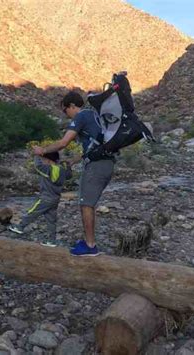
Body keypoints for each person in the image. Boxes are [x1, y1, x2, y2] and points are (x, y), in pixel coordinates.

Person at [33, 91, 115, 256]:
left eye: (65, 111)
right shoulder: (94, 115)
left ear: (72, 106)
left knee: (86, 204)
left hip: (97, 166)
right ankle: (89, 243)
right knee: (87, 202)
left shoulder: (81, 116)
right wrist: (73, 161)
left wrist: (43, 151)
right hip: (107, 163)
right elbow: (93, 146)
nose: (66, 115)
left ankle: (90, 246)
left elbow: (63, 143)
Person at [8, 151, 72, 247]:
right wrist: (67, 164)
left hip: (46, 197)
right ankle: (51, 240)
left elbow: (38, 166)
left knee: (33, 211)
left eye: (44, 159)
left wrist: (37, 154)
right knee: (51, 220)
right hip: (55, 198)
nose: (43, 161)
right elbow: (69, 175)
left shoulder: (48, 169)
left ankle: (20, 227)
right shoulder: (62, 170)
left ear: (48, 160)